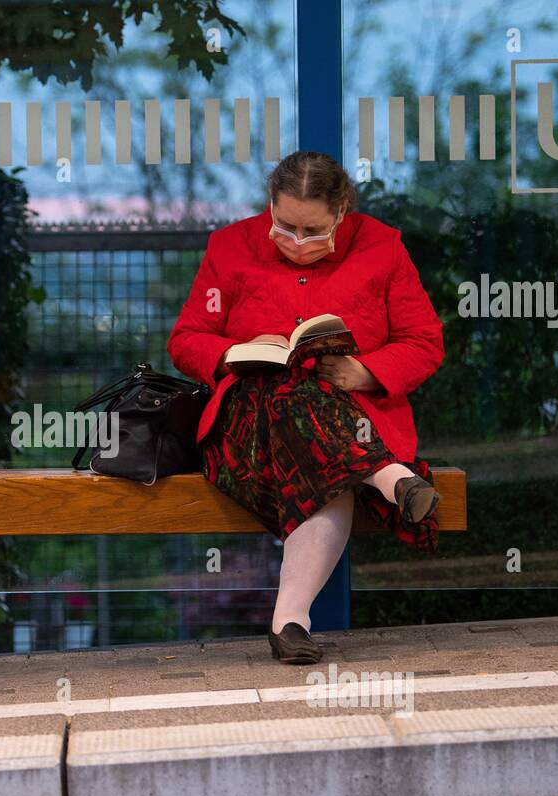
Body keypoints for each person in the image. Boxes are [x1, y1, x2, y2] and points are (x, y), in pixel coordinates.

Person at [167, 150, 444, 665]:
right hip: (249, 430)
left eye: (313, 230)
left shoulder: (383, 248)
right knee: (291, 398)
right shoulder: (228, 248)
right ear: (269, 205)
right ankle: (389, 478)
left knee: (323, 459)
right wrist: (235, 352)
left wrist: (364, 371)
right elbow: (186, 339)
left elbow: (424, 342)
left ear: (342, 211)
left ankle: (290, 623)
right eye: (285, 226)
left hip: (343, 429)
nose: (297, 243)